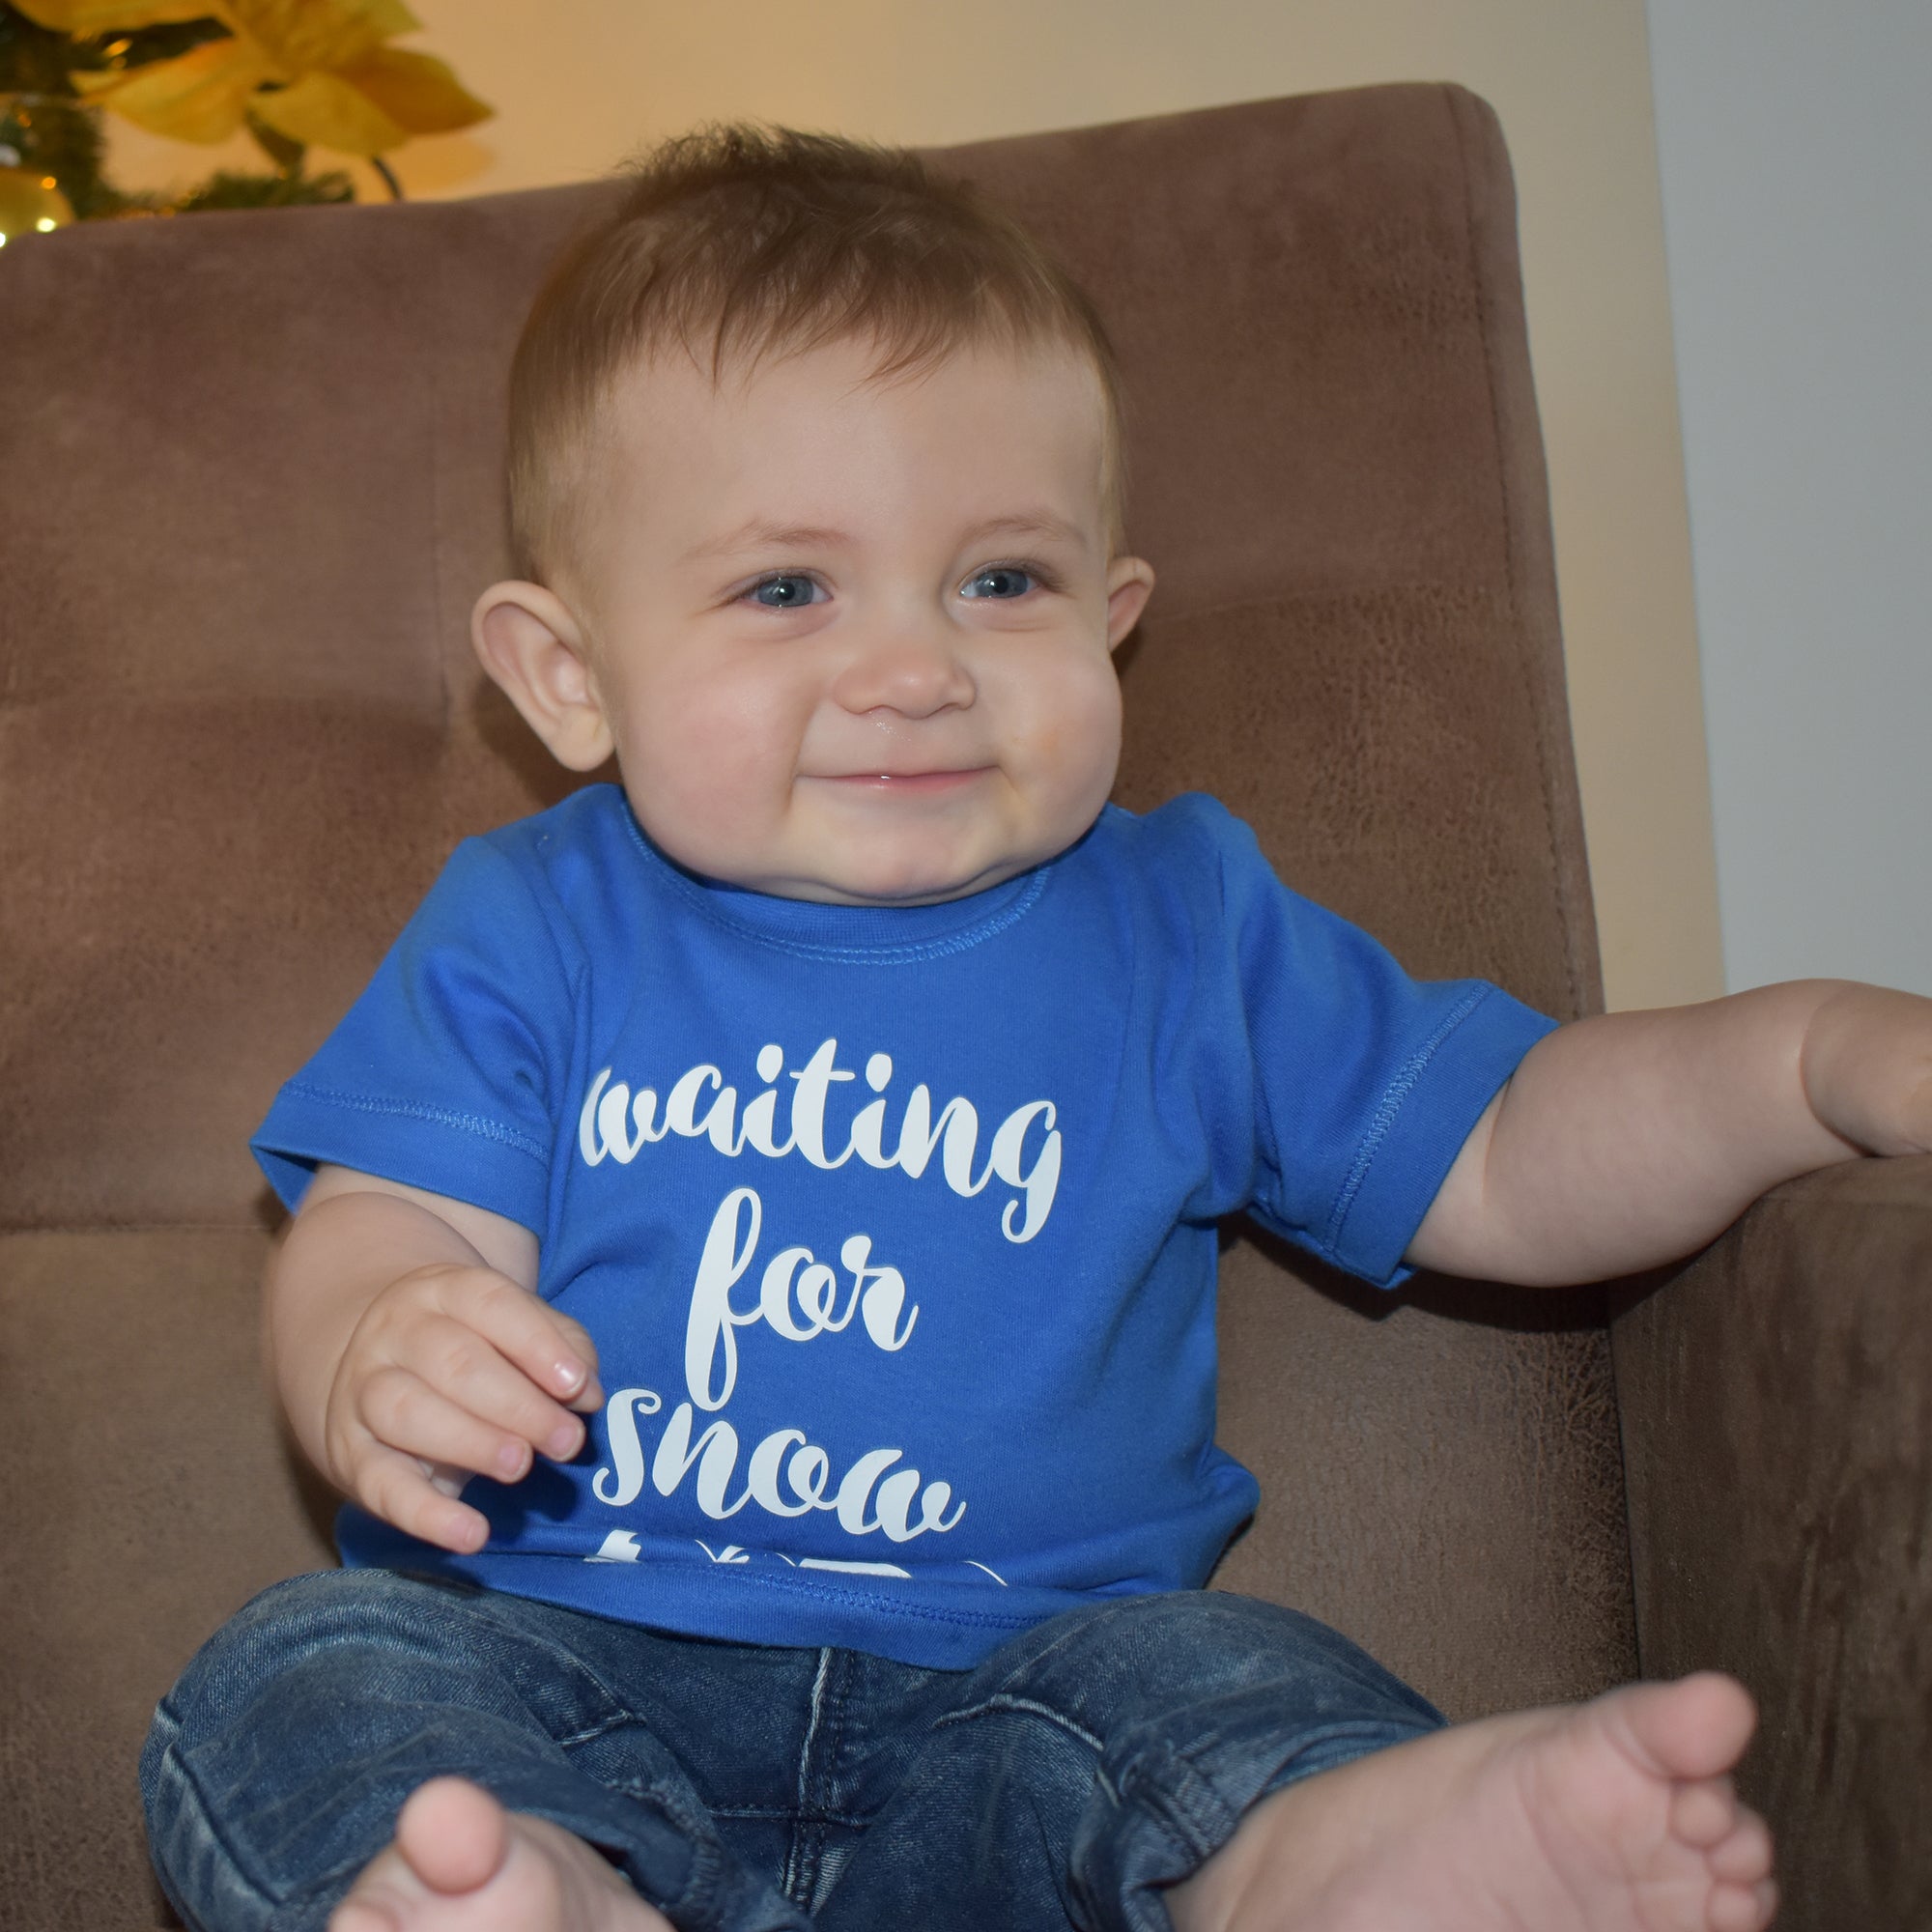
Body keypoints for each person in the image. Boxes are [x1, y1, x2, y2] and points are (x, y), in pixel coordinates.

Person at [139, 123, 1928, 1932]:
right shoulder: (532, 923)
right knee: (309, 1668)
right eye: (788, 589)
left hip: (1035, 1713)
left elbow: (1513, 1140)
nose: (916, 665)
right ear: (572, 678)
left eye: (1002, 581)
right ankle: (524, 1895)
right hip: (561, 1667)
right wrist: (374, 1339)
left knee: (1225, 1696)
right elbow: (390, 1218)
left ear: (1113, 619)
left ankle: (1338, 1867)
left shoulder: (1187, 925)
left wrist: (1795, 1062)